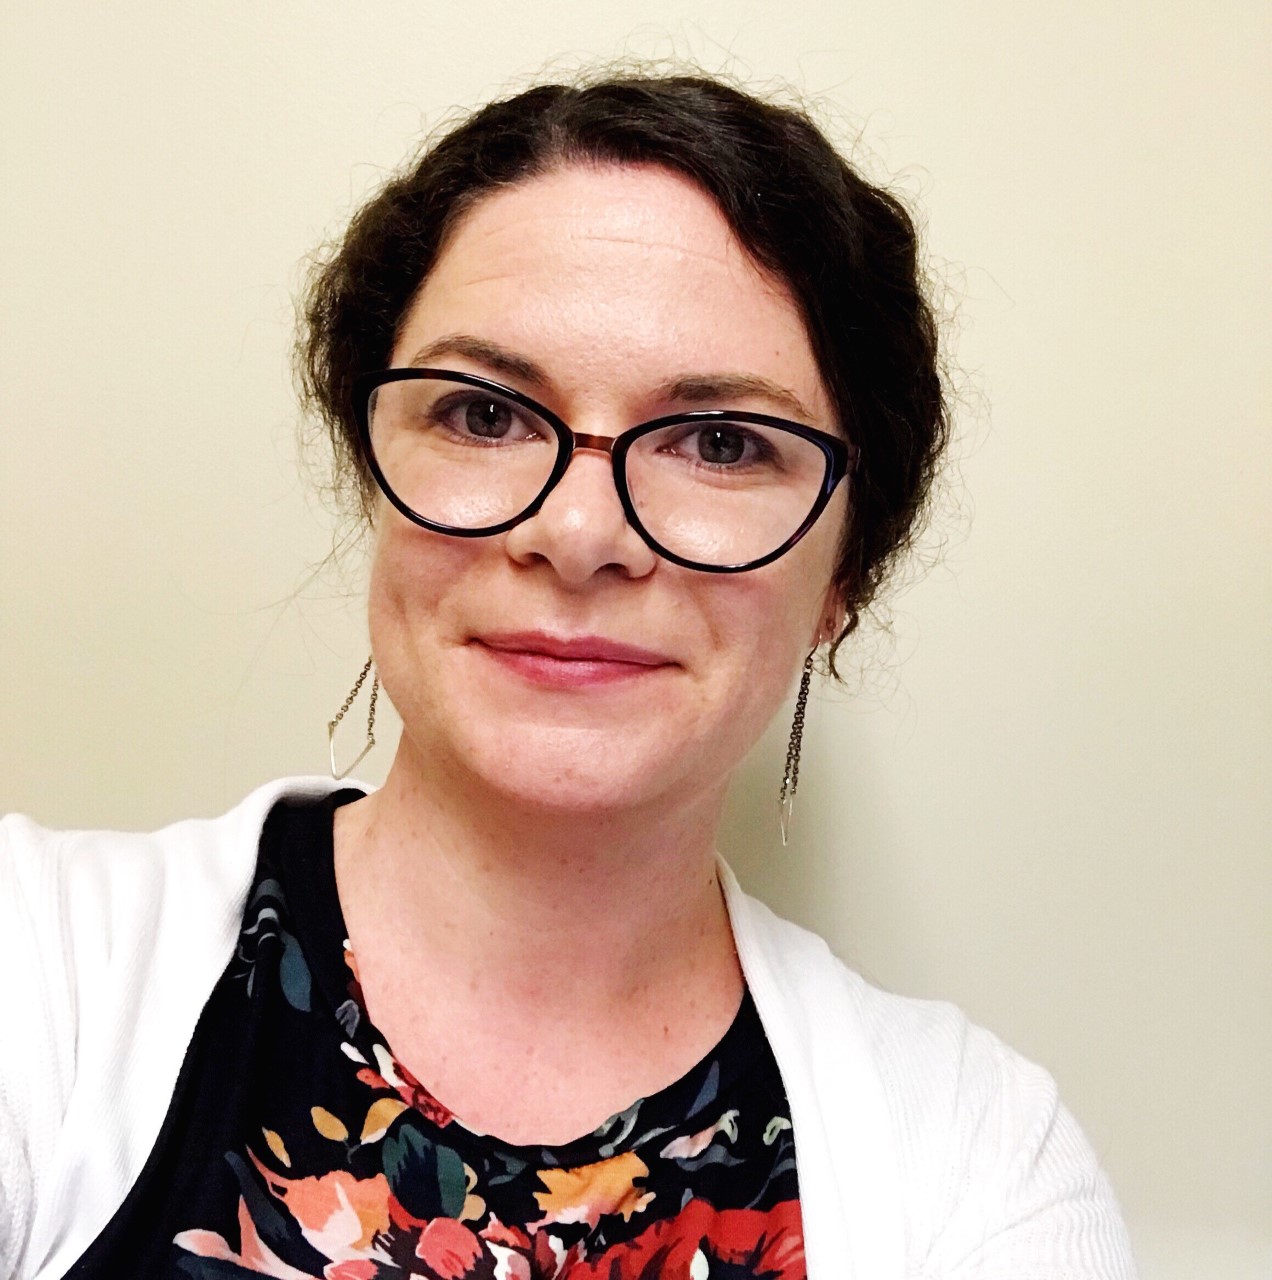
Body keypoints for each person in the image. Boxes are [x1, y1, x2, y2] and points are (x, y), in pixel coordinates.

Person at [0, 72, 1137, 1279]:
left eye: (721, 442)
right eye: (485, 415)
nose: (583, 532)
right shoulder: (35, 966)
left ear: (843, 575)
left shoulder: (981, 1163)